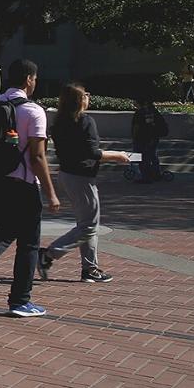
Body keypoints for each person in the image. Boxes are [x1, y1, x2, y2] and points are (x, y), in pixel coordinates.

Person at [0, 58, 60, 318]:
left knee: (4, 231)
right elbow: (38, 157)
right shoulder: (33, 111)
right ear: (29, 79)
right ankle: (20, 300)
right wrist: (50, 192)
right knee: (29, 243)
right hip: (23, 184)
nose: (35, 83)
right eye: (35, 79)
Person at [39, 83, 131, 284]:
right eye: (86, 94)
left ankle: (89, 269)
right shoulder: (85, 121)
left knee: (87, 224)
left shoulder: (60, 122)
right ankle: (49, 254)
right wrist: (118, 155)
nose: (89, 97)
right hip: (82, 177)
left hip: (67, 175)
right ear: (79, 100)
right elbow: (92, 153)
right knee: (89, 226)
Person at [131, 98, 170, 183]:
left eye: (134, 100)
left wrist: (134, 137)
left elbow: (141, 127)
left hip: (143, 139)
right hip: (151, 138)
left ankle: (145, 176)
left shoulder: (142, 112)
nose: (133, 102)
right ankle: (156, 174)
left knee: (141, 157)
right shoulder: (150, 111)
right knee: (152, 156)